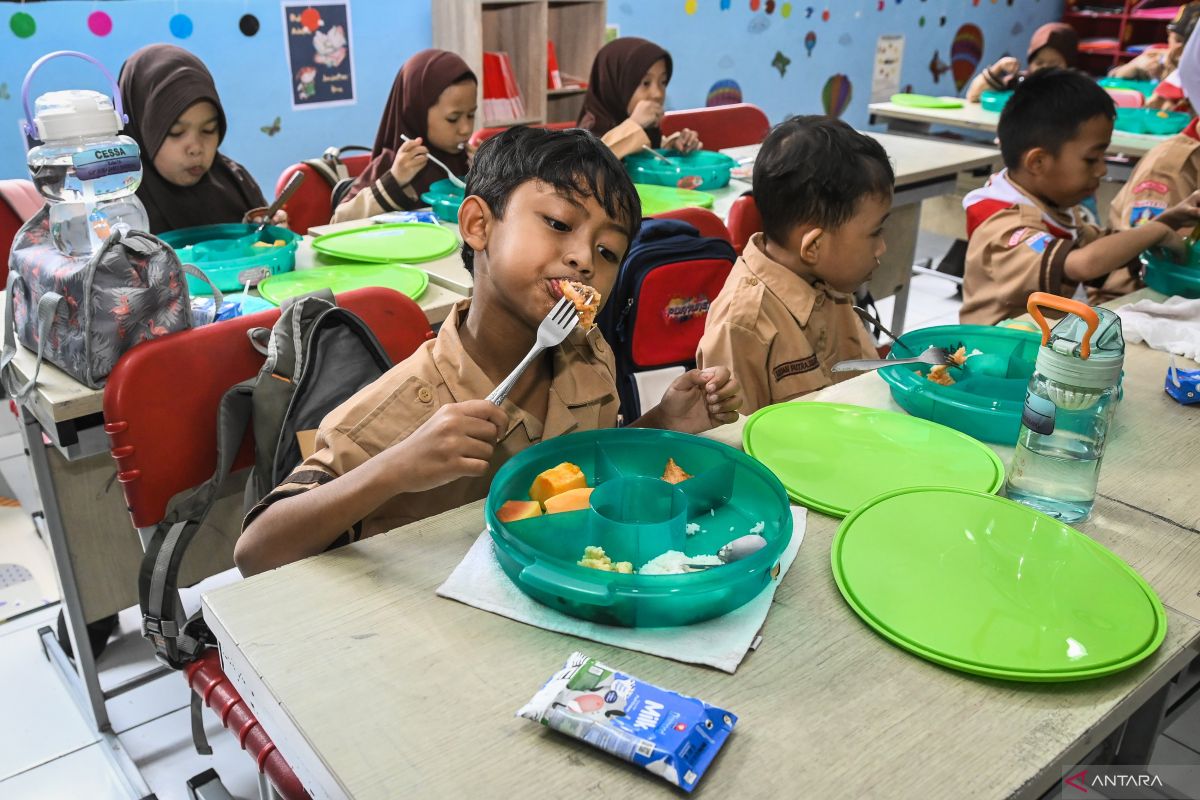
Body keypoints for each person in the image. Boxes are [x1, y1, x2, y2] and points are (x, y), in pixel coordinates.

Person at [235, 127, 743, 576]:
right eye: (560, 224)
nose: (584, 258)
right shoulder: (403, 407)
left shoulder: (590, 357)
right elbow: (256, 551)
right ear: (479, 225)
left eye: (608, 251)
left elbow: (585, 472)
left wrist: (663, 423)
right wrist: (396, 467)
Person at [961, 69, 1200, 326]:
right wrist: (1158, 230)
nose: (1102, 170)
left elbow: (1102, 245)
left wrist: (1169, 219)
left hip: (1040, 346)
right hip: (989, 355)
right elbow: (1083, 263)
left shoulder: (1053, 208)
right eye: (1091, 159)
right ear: (1038, 162)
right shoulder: (1003, 226)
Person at [696, 116, 891, 414]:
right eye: (875, 233)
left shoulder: (831, 283)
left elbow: (864, 385)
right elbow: (734, 442)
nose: (882, 248)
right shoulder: (742, 327)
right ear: (814, 246)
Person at [118, 44, 283, 233]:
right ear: (140, 128)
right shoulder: (118, 205)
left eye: (208, 130)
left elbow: (266, 250)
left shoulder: (236, 184)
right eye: (176, 132)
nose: (196, 148)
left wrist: (273, 234)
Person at [332, 49, 477, 223]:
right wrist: (394, 180)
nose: (466, 129)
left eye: (471, 115)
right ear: (417, 113)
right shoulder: (397, 163)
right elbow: (337, 221)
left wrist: (489, 175)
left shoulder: (467, 162)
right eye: (453, 119)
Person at [576, 38, 702, 160]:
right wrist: (635, 124)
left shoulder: (645, 127)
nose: (657, 94)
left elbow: (640, 152)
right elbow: (588, 167)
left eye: (663, 82)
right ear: (615, 84)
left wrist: (673, 146)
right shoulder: (587, 132)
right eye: (646, 83)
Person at [966, 23, 1078, 103]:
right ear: (1030, 63)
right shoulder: (1022, 82)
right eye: (1039, 63)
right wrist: (997, 68)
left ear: (1069, 65)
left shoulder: (1077, 89)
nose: (1045, 69)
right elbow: (973, 96)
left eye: (1054, 64)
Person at [1110, 4, 1200, 84]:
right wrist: (1134, 68)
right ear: (1169, 37)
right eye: (1178, 40)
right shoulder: (1154, 57)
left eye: (1189, 44)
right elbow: (1113, 77)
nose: (1181, 48)